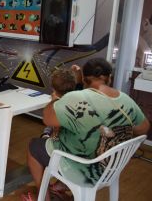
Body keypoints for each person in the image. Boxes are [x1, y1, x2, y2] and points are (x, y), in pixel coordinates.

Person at [25, 58, 150, 201]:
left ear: (83, 77)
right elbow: (143, 129)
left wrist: (54, 99)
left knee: (34, 146)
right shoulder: (126, 100)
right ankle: (60, 187)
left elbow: (47, 119)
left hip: (83, 169)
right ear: (109, 77)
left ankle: (44, 198)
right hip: (110, 168)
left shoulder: (75, 98)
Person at [40, 68, 76, 139]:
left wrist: (53, 103)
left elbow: (53, 125)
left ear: (53, 89)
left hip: (62, 145)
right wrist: (46, 133)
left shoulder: (59, 108)